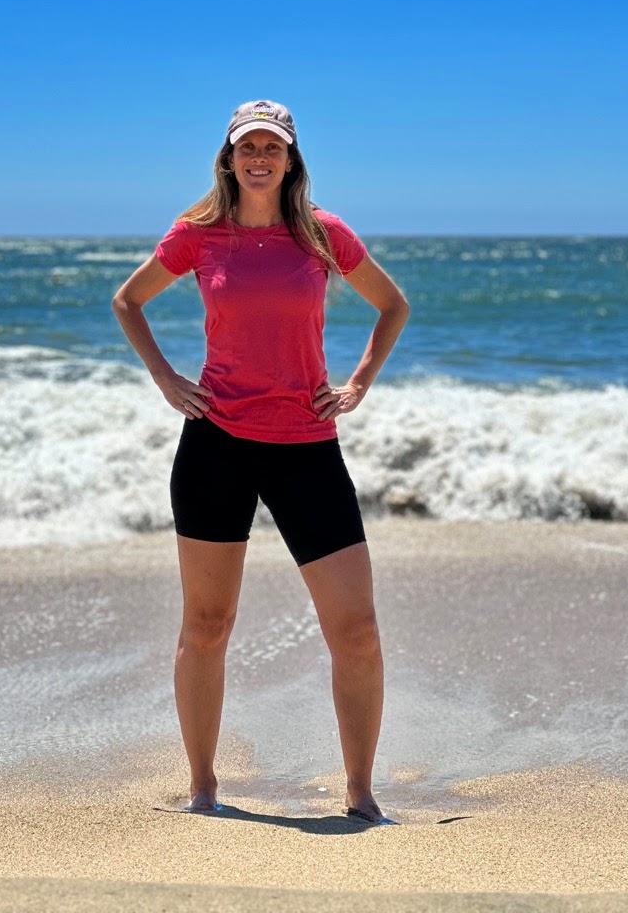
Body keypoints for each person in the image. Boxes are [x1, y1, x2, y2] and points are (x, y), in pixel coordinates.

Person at [112, 100, 409, 823]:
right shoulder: (198, 235)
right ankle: (204, 788)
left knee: (357, 630)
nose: (260, 157)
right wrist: (165, 377)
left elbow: (392, 305)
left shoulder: (321, 234)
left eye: (272, 146)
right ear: (229, 155)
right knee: (207, 625)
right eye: (249, 145)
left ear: (290, 158)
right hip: (217, 444)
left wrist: (358, 384)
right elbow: (128, 300)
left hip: (307, 447)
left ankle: (361, 794)